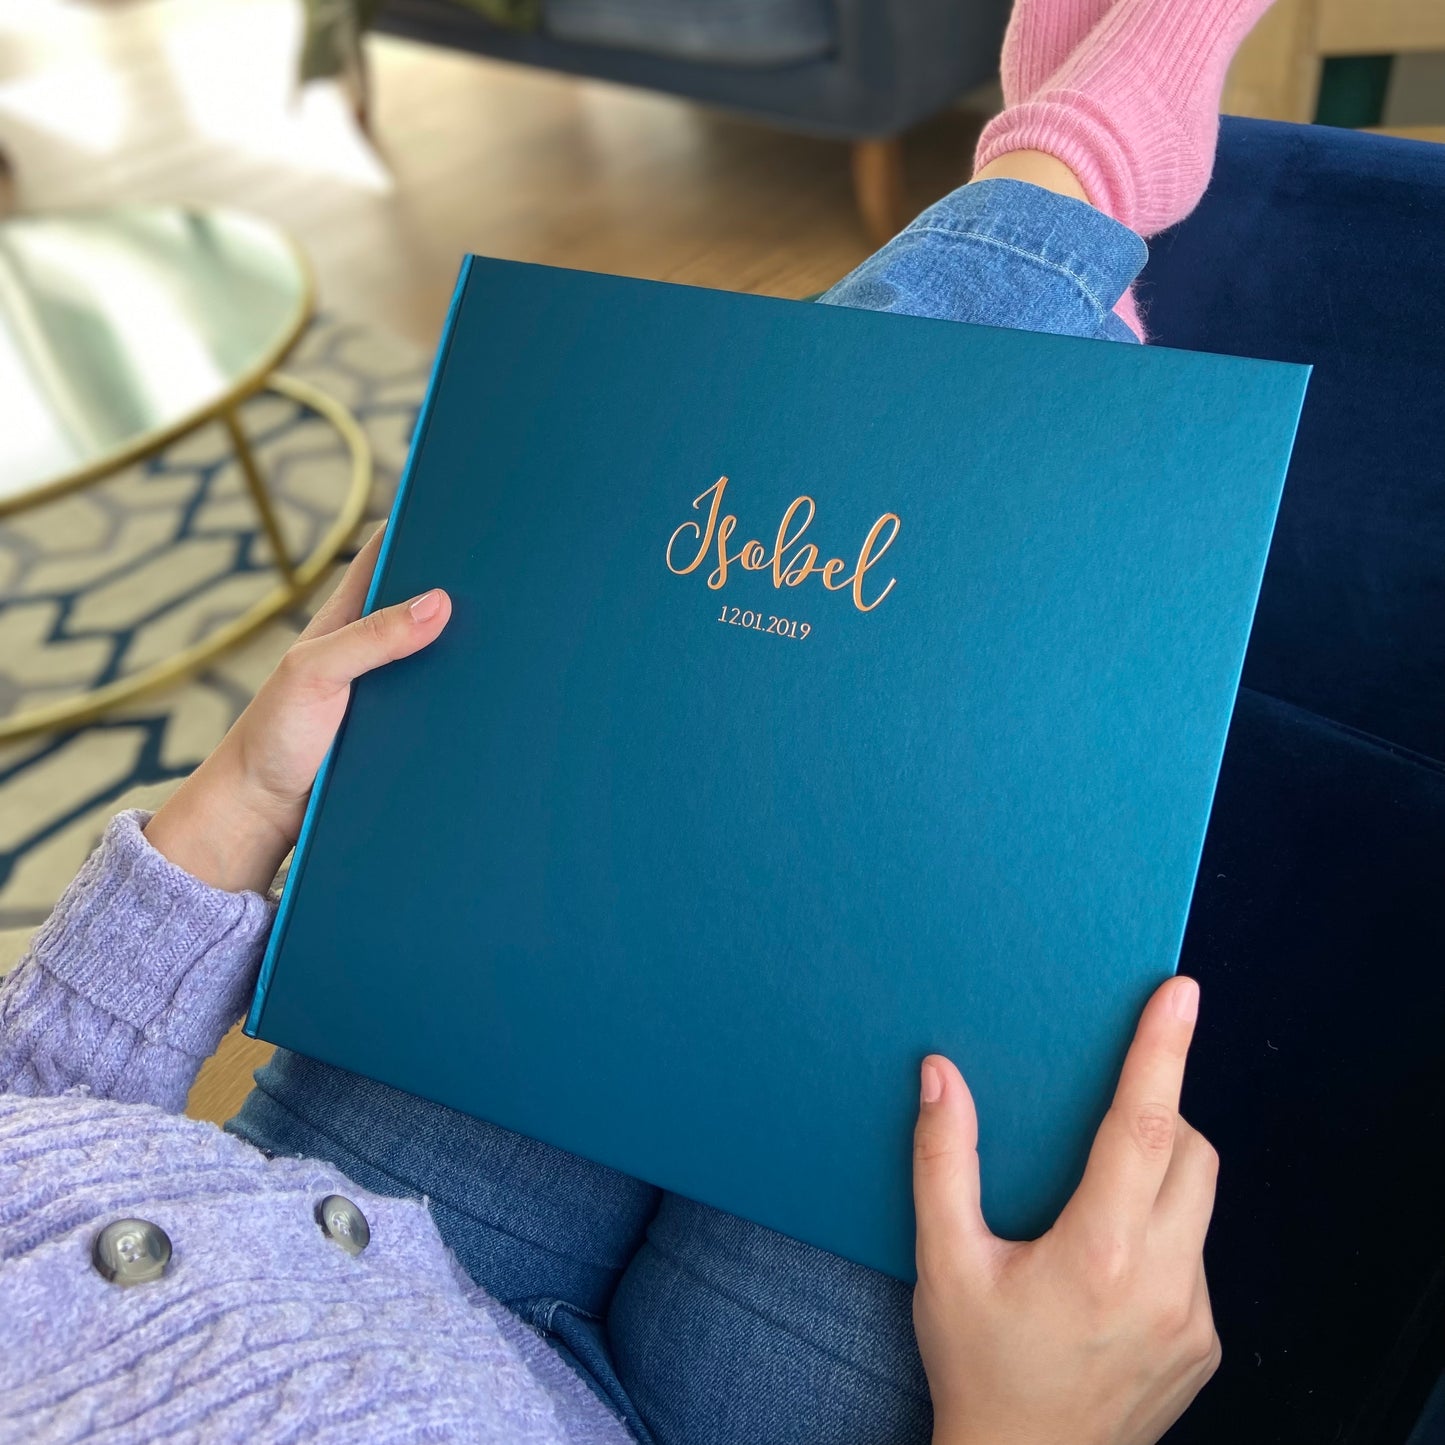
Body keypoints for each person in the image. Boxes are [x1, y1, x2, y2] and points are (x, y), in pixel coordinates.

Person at [0, 0, 1271, 1436]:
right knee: (945, 804)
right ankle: (1071, 186)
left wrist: (237, 797)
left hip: (314, 1219)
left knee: (707, 614)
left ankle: (1072, 197)